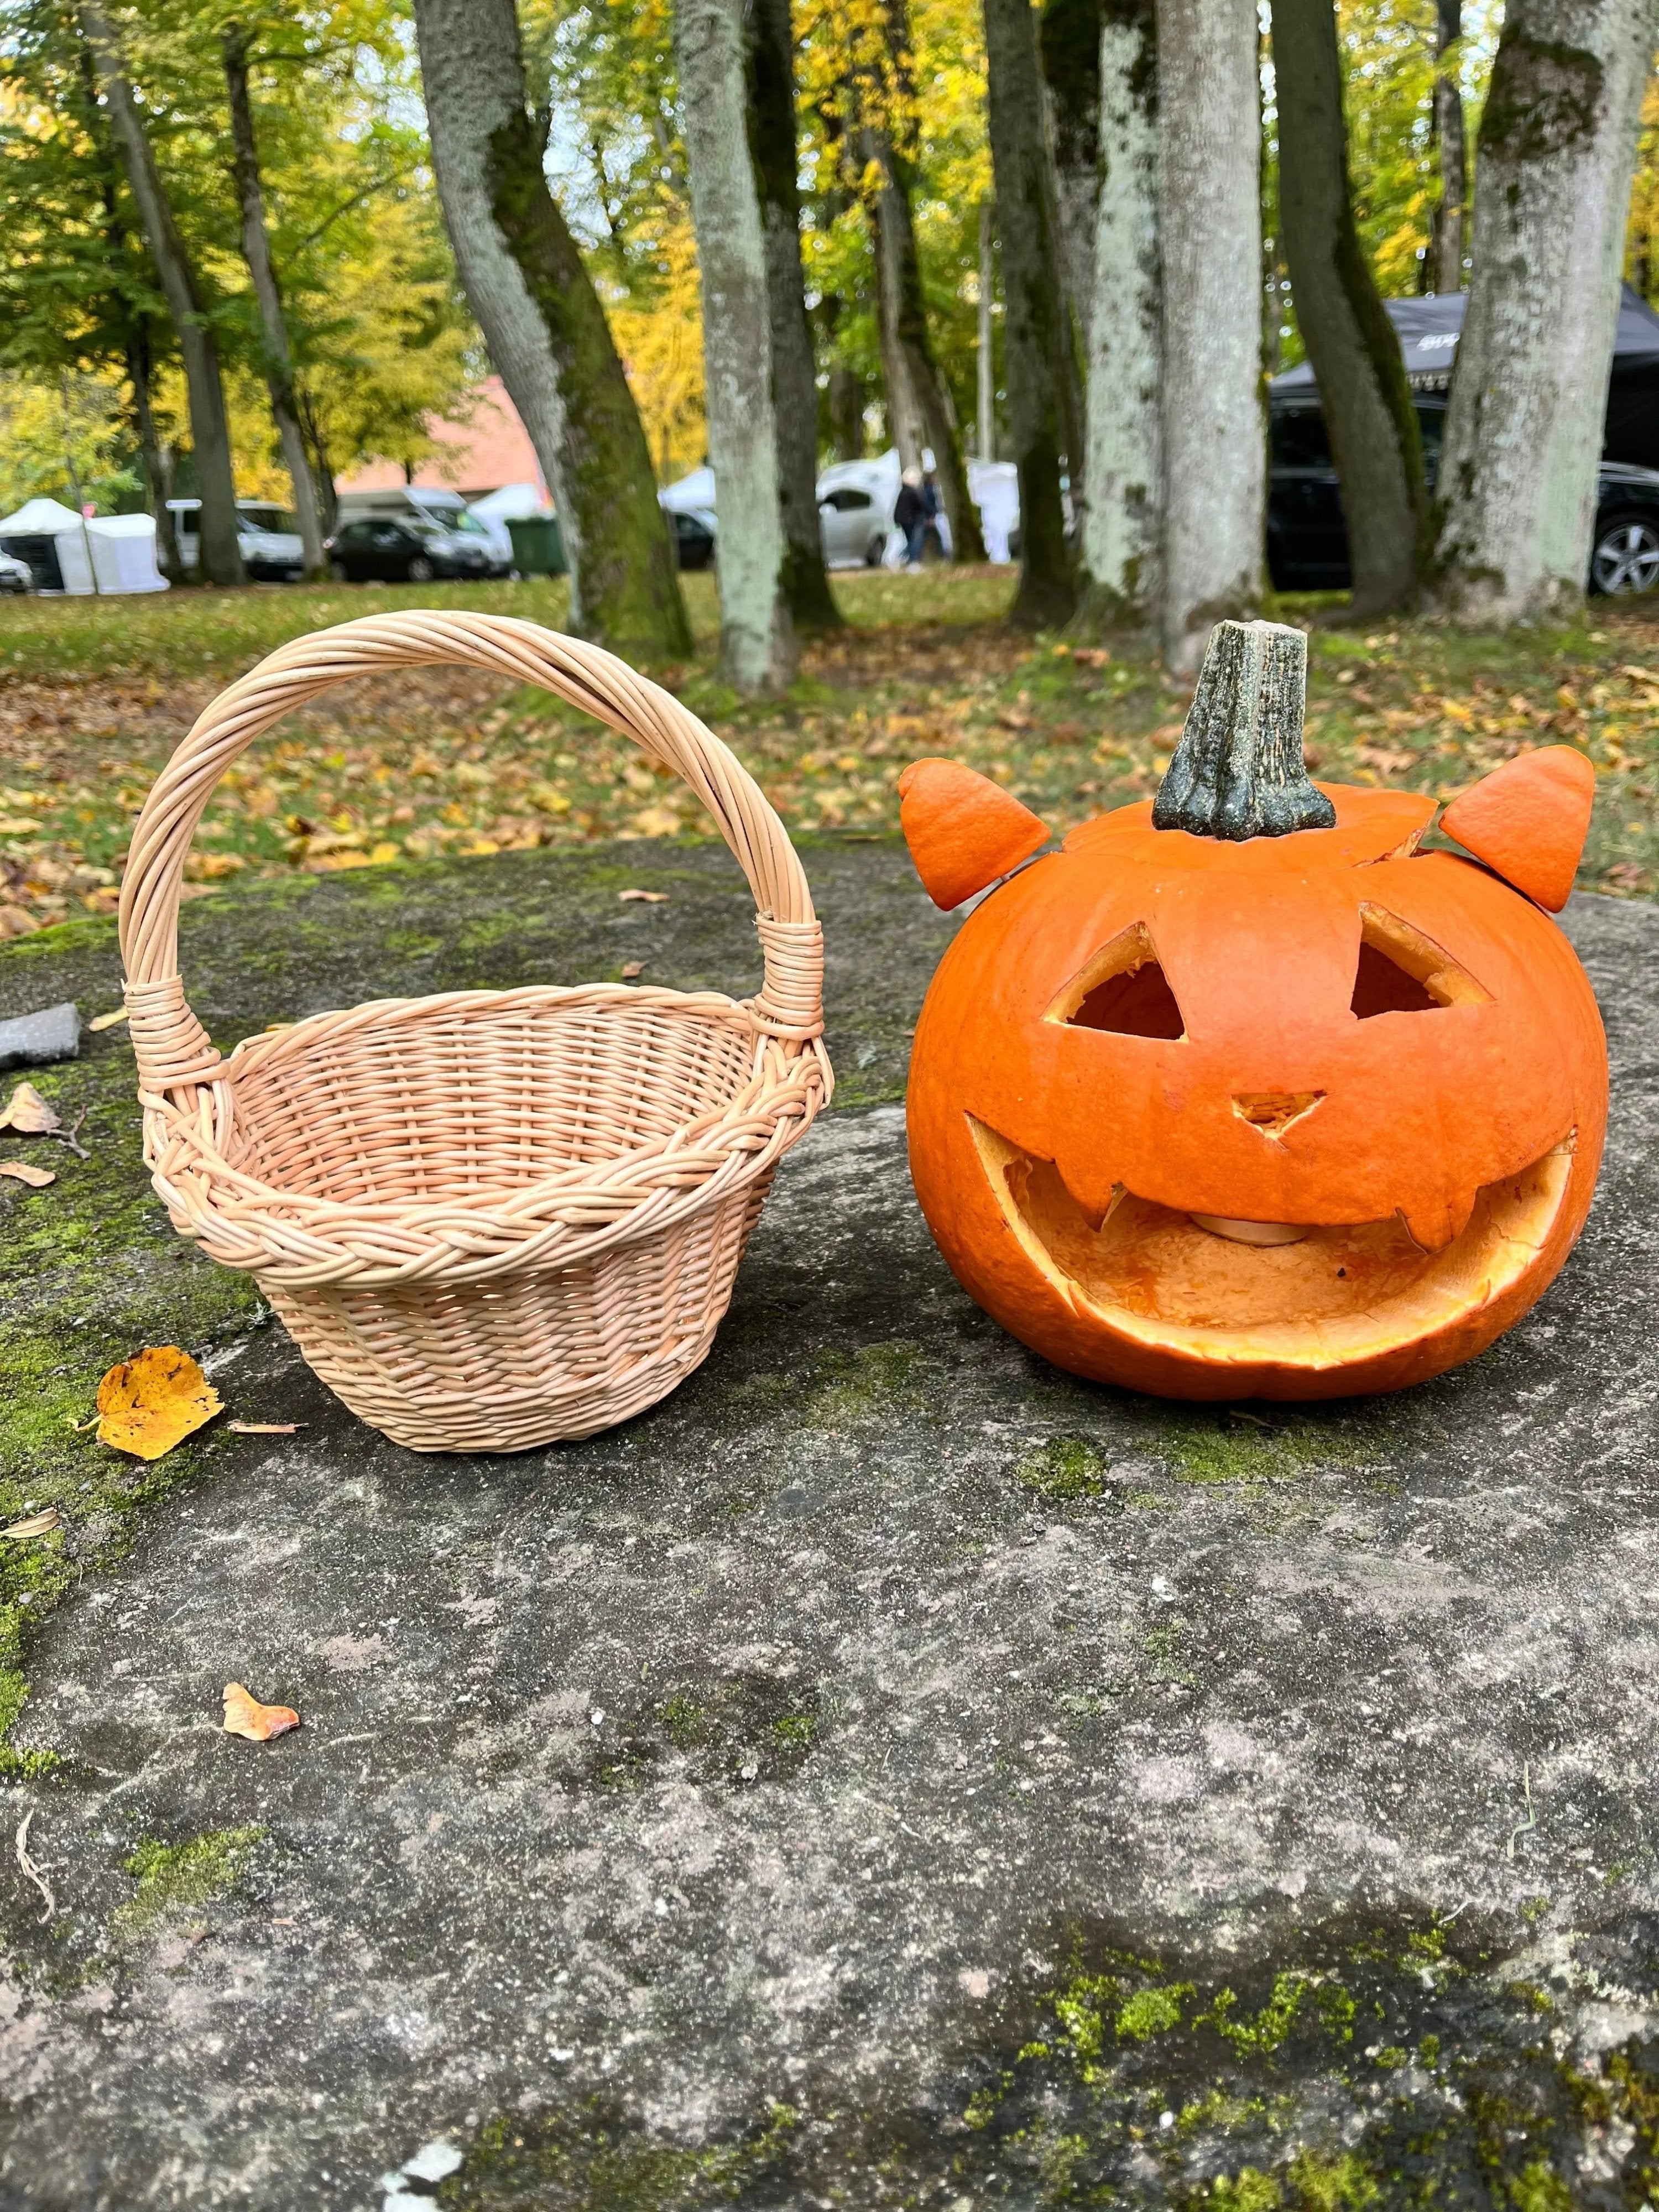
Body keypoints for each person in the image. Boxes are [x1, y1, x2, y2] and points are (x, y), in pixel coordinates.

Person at [894, 467, 927, 566]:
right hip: (911, 520)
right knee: (915, 541)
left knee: (910, 541)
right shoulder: (912, 492)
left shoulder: (903, 492)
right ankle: (911, 560)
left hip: (903, 520)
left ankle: (902, 558)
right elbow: (921, 505)